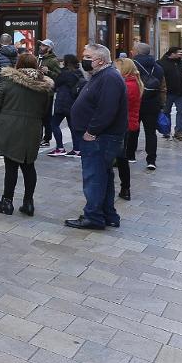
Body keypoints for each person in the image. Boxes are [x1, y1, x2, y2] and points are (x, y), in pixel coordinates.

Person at [64, 44, 127, 231]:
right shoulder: (100, 76)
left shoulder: (109, 77)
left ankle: (93, 217)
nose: (83, 59)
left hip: (100, 138)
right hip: (100, 137)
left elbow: (107, 109)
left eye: (87, 57)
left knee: (94, 177)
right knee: (102, 176)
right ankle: (108, 214)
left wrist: (92, 131)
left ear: (100, 60)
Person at [0, 53, 53, 217]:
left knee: (11, 166)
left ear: (18, 64)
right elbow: (46, 111)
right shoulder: (44, 86)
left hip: (10, 127)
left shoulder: (8, 81)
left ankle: (6, 202)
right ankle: (28, 203)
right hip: (33, 128)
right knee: (29, 165)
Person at [130, 42, 166, 172]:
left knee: (133, 129)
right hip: (153, 103)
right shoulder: (158, 67)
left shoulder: (131, 65)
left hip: (135, 102)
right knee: (151, 132)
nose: (131, 51)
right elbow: (163, 87)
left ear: (137, 52)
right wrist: (162, 104)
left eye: (133, 50)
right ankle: (151, 160)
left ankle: (130, 155)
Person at [112, 57, 143, 202]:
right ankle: (125, 188)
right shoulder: (132, 82)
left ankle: (125, 188)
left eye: (116, 68)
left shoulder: (128, 85)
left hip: (123, 124)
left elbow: (117, 105)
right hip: (127, 123)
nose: (114, 70)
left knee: (121, 157)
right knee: (121, 156)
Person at [48, 54, 83, 157]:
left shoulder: (65, 73)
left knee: (54, 124)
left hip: (63, 102)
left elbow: (55, 84)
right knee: (72, 126)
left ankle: (60, 148)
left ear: (67, 62)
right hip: (74, 103)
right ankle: (77, 149)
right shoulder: (79, 73)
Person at [159, 47, 182, 141]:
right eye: (179, 53)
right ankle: (166, 131)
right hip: (167, 92)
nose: (181, 55)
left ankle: (179, 132)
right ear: (172, 54)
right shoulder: (161, 63)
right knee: (166, 112)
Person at [37, 39, 61, 147]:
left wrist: (48, 72)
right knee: (38, 115)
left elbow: (59, 76)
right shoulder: (38, 58)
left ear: (49, 48)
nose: (40, 47)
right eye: (41, 45)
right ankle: (38, 137)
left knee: (46, 116)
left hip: (48, 92)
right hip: (38, 90)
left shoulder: (53, 60)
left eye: (43, 45)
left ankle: (47, 139)